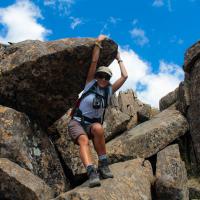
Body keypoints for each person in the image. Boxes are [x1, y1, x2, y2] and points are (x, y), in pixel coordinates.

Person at [68, 34, 128, 187]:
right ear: (96, 76)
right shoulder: (90, 84)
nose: (103, 78)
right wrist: (98, 42)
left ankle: (103, 164)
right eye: (100, 75)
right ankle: (91, 172)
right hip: (77, 122)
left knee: (99, 128)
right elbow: (94, 61)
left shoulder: (109, 91)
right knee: (83, 140)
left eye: (106, 77)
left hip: (92, 126)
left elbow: (125, 76)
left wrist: (119, 58)